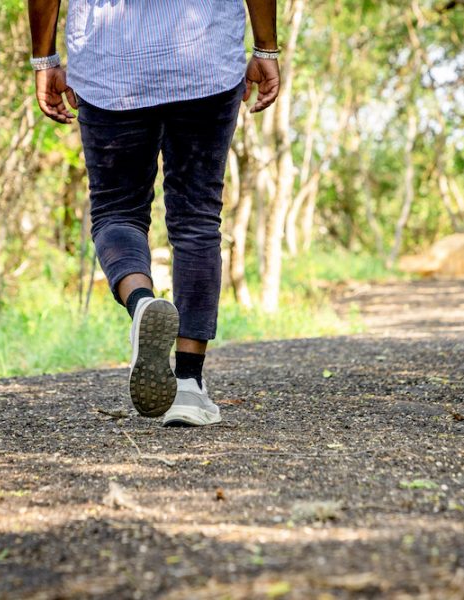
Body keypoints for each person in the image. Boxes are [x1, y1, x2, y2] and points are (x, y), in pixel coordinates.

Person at [27, 1, 280, 426]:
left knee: (116, 212)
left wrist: (44, 58)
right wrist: (266, 48)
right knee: (197, 219)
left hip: (110, 65)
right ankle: (187, 387)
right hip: (204, 59)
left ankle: (142, 303)